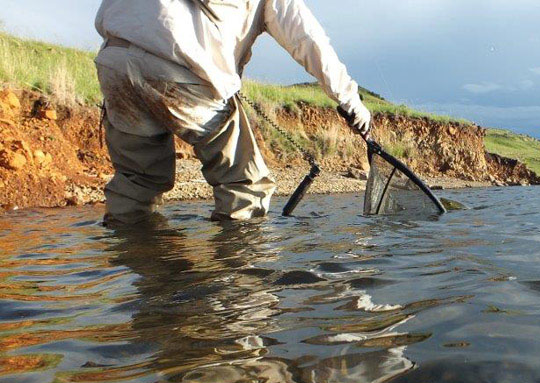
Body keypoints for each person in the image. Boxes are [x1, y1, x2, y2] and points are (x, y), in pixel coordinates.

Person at [94, 0, 372, 224]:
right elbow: (307, 40)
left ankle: (137, 270)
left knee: (137, 180)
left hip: (115, 62)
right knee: (246, 186)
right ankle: (237, 287)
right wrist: (350, 101)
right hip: (182, 66)